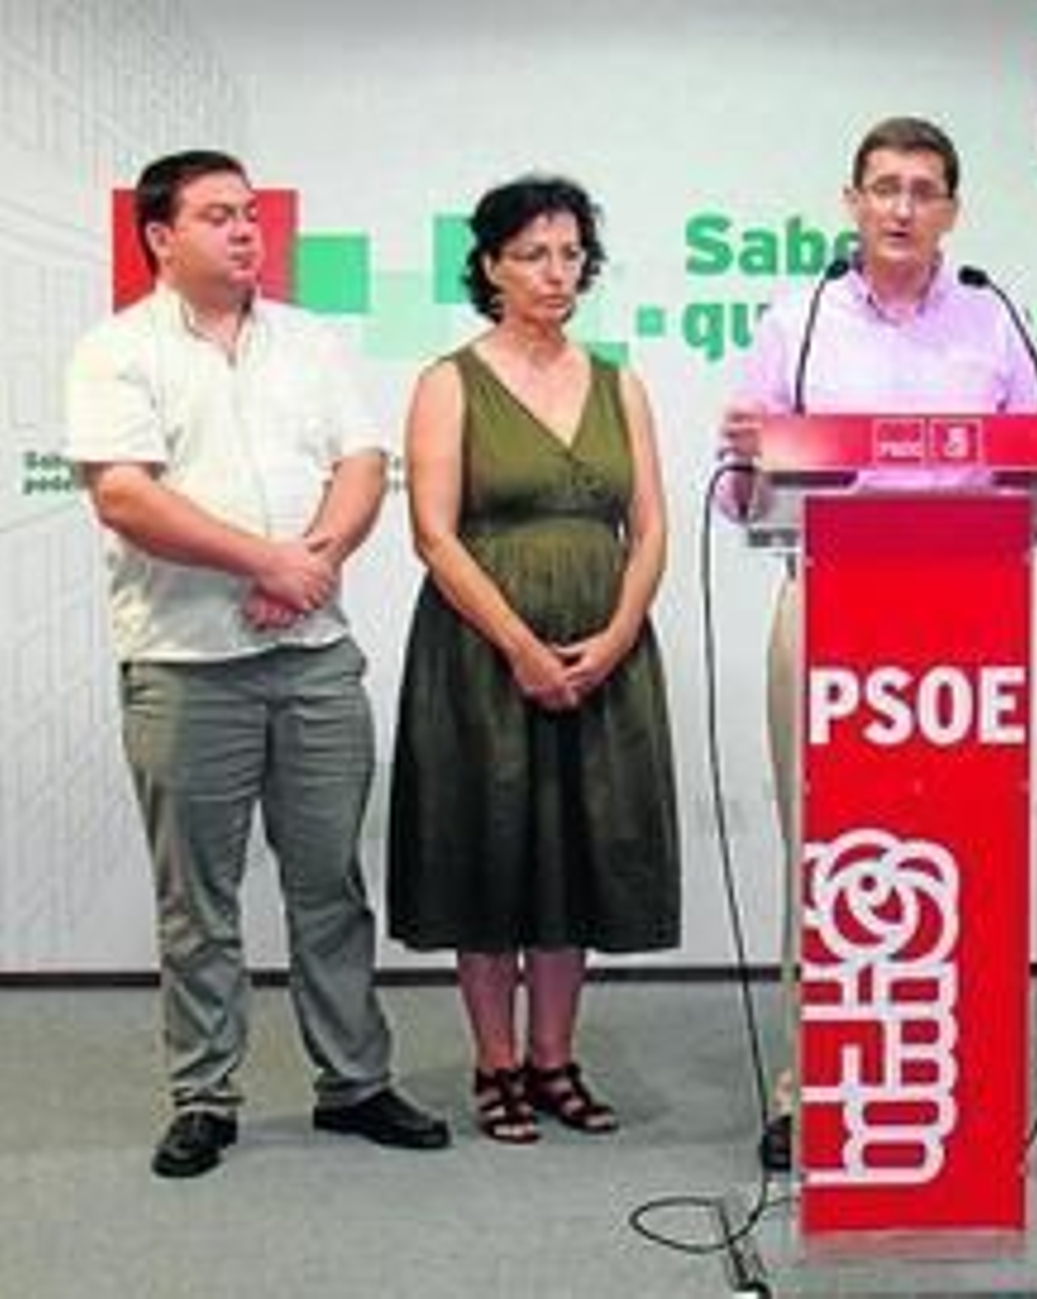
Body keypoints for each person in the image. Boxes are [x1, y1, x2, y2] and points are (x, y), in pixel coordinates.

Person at [64, 150, 449, 1178]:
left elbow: (363, 464)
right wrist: (263, 559)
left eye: (250, 216)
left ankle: (355, 1083)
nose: (246, 233)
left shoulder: (310, 342)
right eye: (218, 216)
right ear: (161, 236)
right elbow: (127, 499)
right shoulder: (116, 351)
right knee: (200, 899)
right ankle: (204, 1095)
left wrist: (312, 562)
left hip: (314, 660)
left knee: (331, 884)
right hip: (187, 667)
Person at [718, 116, 1037, 1171]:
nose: (902, 207)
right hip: (825, 600)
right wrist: (748, 458)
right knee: (826, 852)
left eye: (924, 189)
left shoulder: (995, 321)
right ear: (850, 201)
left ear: (952, 208)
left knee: (962, 845)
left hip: (964, 616)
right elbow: (737, 496)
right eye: (884, 188)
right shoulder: (798, 319)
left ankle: (956, 1079)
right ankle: (806, 1090)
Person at [387, 175, 680, 1144]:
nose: (555, 274)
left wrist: (618, 634)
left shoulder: (617, 382)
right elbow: (434, 535)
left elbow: (649, 527)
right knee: (492, 851)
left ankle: (555, 1058)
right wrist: (519, 646)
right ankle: (495, 1063)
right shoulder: (447, 381)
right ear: (489, 267)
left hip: (604, 651)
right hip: (482, 656)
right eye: (531, 255)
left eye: (568, 254)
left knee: (575, 860)